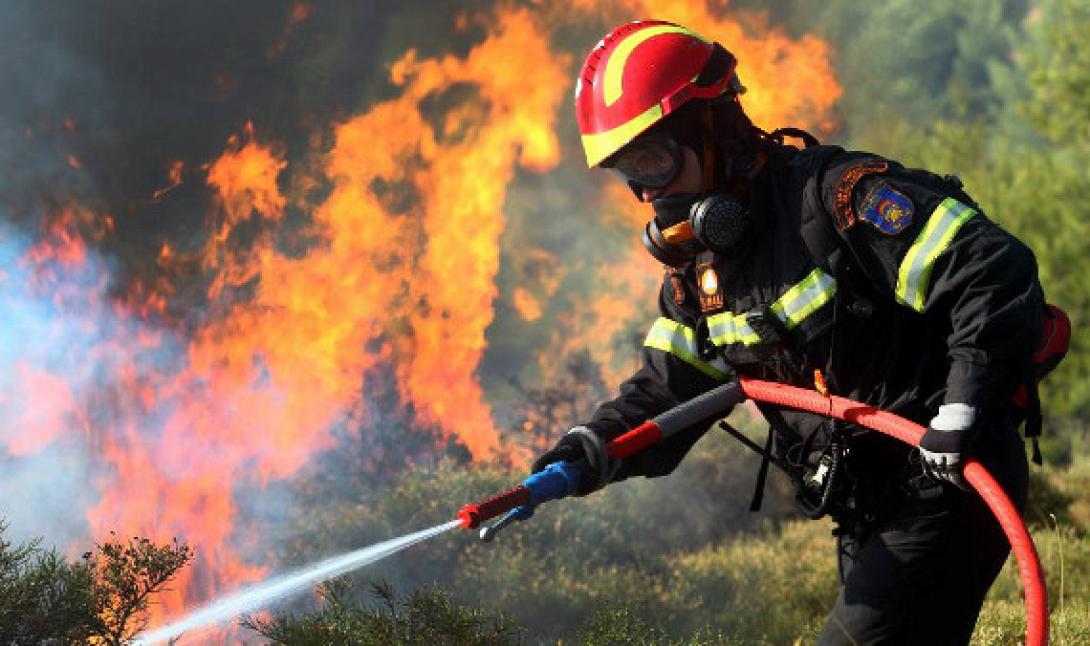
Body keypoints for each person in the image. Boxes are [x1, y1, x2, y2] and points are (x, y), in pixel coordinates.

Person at [532, 20, 1054, 645]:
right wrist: (592, 447)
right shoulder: (701, 273)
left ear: (713, 129)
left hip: (946, 479)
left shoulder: (835, 200)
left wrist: (963, 408)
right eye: (628, 172)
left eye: (652, 159)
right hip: (867, 508)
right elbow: (672, 387)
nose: (645, 191)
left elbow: (990, 270)